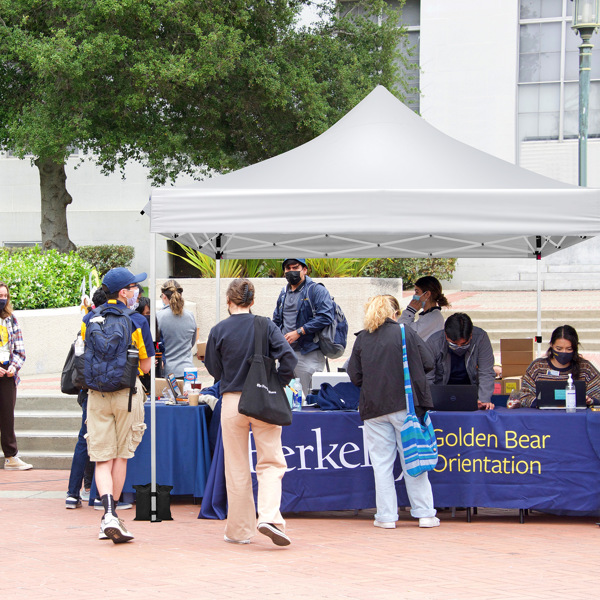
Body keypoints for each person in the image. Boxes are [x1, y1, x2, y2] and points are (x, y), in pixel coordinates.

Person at [205, 278, 297, 546]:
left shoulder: (218, 329)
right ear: (252, 301)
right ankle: (268, 516)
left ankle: (239, 531)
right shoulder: (265, 325)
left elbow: (215, 369)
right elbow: (289, 358)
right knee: (270, 461)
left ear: (229, 301)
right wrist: (278, 380)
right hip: (263, 398)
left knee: (235, 467)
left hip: (232, 401)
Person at [347, 295, 439, 529]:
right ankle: (425, 514)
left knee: (381, 465)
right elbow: (428, 362)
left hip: (373, 409)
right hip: (405, 406)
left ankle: (386, 517)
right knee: (413, 458)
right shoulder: (403, 332)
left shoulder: (362, 338)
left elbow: (355, 376)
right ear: (393, 312)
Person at [82, 267, 154, 543]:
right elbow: (145, 365)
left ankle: (107, 516)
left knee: (102, 457)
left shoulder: (89, 318)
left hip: (96, 393)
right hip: (127, 394)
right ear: (123, 292)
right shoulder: (137, 321)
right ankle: (112, 517)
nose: (138, 291)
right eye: (135, 287)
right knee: (121, 456)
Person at [272, 258, 334, 394]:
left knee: (307, 402)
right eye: (288, 269)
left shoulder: (316, 290)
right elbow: (276, 321)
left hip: (308, 354)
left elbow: (326, 316)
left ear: (304, 270)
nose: (291, 271)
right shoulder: (283, 293)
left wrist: (299, 332)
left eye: (295, 268)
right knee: (284, 402)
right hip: (286, 356)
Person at [508, 325, 600, 408]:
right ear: (551, 345)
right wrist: (541, 402)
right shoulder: (537, 367)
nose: (563, 352)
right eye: (559, 349)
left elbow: (597, 393)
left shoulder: (586, 368)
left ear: (575, 348)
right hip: (543, 419)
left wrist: (590, 400)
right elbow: (524, 396)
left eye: (569, 349)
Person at [427, 312, 496, 410]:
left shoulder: (480, 338)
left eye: (464, 344)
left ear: (471, 335)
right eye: (454, 343)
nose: (459, 347)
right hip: (441, 394)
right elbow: (427, 378)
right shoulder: (433, 343)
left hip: (472, 394)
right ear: (446, 335)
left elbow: (486, 372)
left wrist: (483, 400)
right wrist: (433, 402)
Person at [0, 282, 32, 471]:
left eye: (5, 296)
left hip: (8, 373)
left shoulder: (11, 319)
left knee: (7, 417)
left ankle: (11, 456)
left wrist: (13, 367)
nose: (2, 299)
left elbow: (20, 351)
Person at [157, 279, 198, 378]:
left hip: (168, 373)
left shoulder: (158, 317)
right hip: (189, 372)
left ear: (164, 296)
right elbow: (192, 342)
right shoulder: (190, 316)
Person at [399, 276, 450, 341]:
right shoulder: (428, 315)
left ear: (427, 294)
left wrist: (410, 311)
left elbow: (403, 332)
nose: (415, 296)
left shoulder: (433, 318)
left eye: (417, 292)